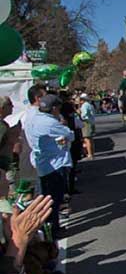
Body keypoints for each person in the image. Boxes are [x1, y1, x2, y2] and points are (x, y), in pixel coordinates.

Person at [22, 95, 73, 239]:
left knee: (46, 198)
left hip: (42, 164)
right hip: (54, 165)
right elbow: (69, 134)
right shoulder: (50, 122)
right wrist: (64, 126)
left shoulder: (32, 118)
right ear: (55, 108)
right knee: (53, 200)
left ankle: (50, 228)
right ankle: (51, 230)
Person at [78, 93, 95, 160]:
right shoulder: (90, 105)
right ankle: (92, 153)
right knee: (91, 139)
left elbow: (84, 115)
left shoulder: (84, 106)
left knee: (86, 139)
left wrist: (79, 113)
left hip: (86, 123)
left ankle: (89, 154)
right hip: (91, 122)